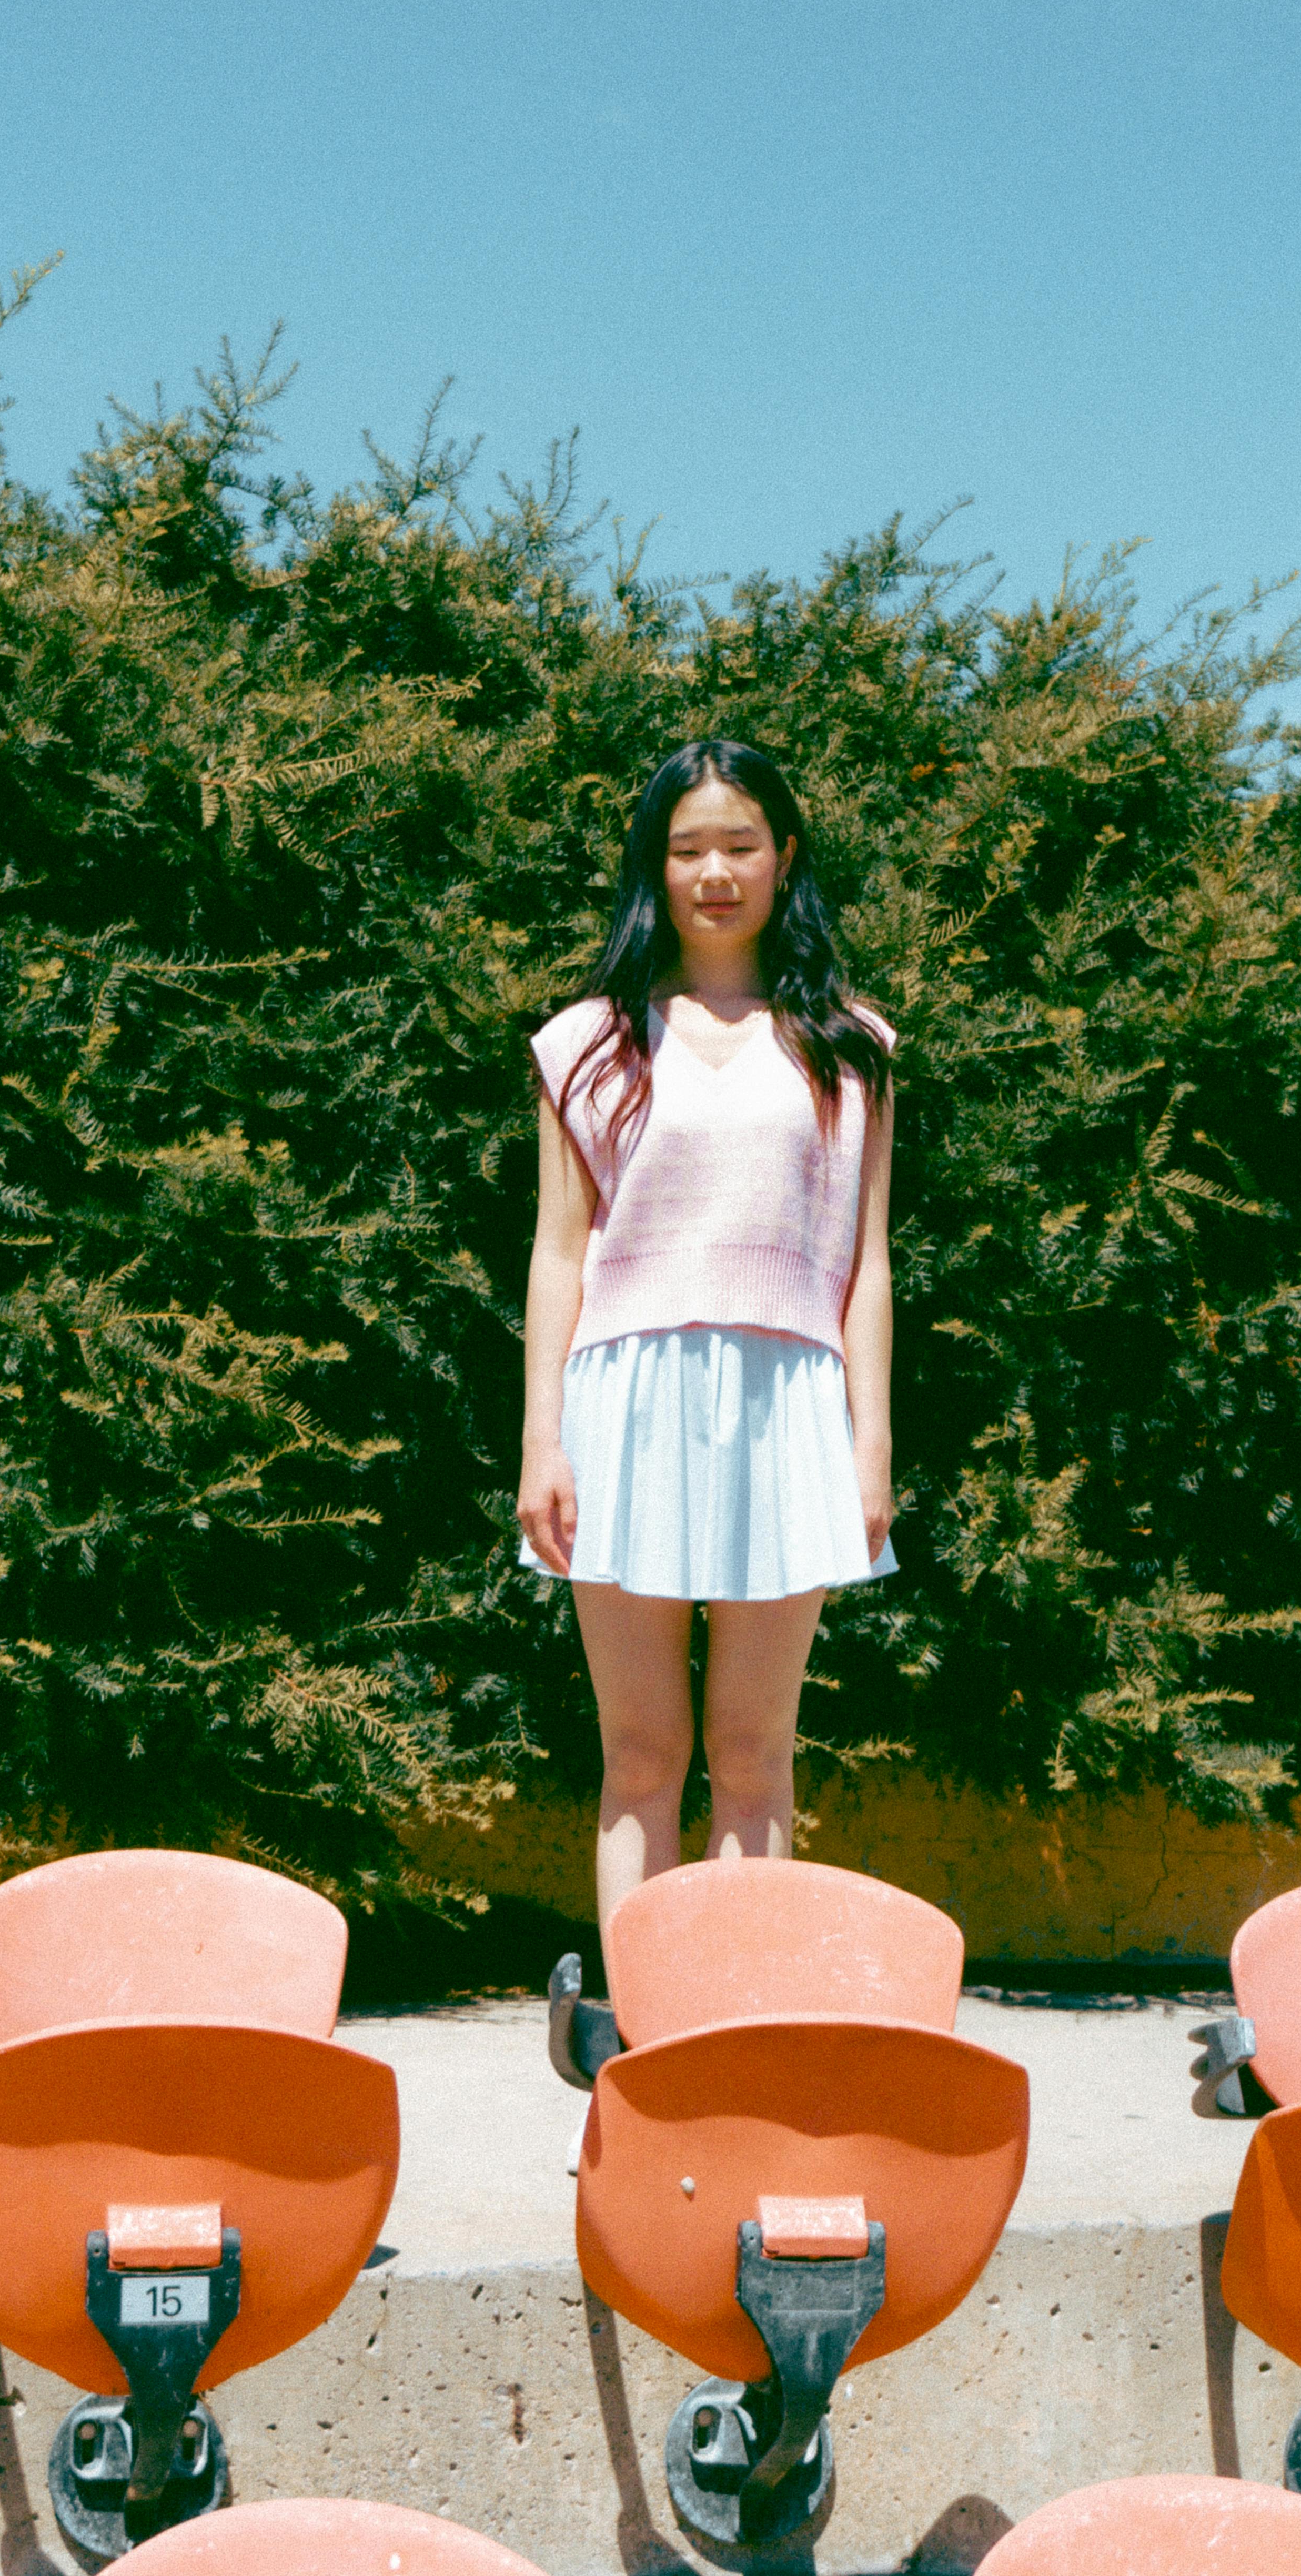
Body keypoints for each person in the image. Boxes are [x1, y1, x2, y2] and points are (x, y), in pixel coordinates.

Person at [516, 738, 896, 1930]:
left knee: (754, 1755)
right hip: (622, 1403)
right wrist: (542, 1444)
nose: (714, 871)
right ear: (654, 866)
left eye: (739, 845)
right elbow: (558, 1253)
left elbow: (866, 1264)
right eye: (687, 849)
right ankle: (641, 2045)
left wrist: (868, 1443)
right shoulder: (586, 1042)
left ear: (784, 858)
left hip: (789, 1404)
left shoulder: (849, 1044)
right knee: (638, 1755)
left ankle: (736, 2046)